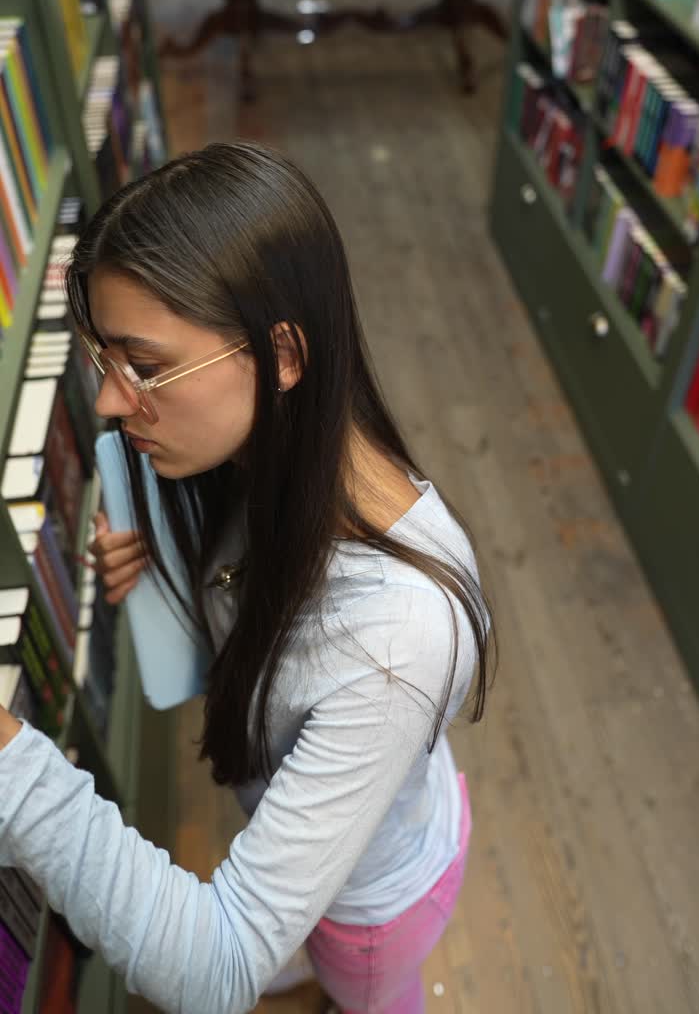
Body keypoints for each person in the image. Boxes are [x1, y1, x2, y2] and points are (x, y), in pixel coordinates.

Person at [0, 142, 496, 1014]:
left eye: (144, 367)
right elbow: (270, 642)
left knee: (369, 997)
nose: (113, 403)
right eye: (105, 360)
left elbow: (219, 968)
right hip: (328, 845)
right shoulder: (267, 460)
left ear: (284, 355)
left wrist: (12, 765)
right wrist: (174, 574)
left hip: (372, 911)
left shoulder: (398, 637)